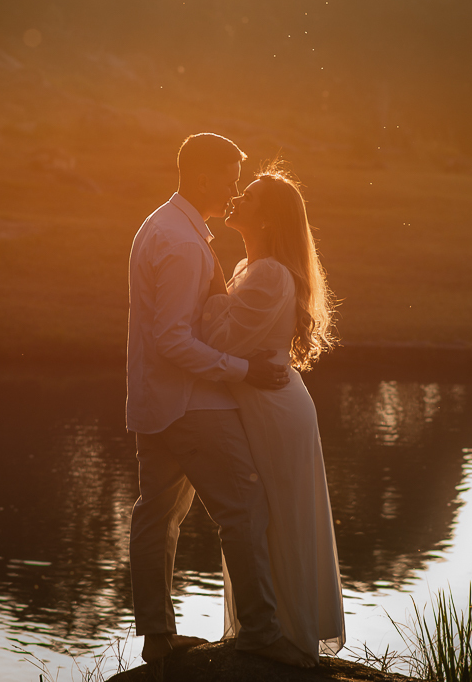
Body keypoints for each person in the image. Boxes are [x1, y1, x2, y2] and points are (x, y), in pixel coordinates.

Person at [126, 133, 313, 667]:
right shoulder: (184, 243)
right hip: (193, 405)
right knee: (244, 508)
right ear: (203, 178)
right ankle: (261, 632)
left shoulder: (163, 225)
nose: (234, 189)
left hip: (155, 401)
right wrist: (244, 370)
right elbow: (173, 339)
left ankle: (158, 637)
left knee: (157, 515)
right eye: (231, 178)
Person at [200, 162, 346, 664]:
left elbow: (218, 339)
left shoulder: (267, 274)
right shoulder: (252, 269)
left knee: (278, 517)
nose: (237, 197)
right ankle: (270, 627)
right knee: (263, 516)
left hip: (274, 411)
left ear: (266, 220)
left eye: (250, 196)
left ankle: (290, 638)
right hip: (266, 404)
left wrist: (210, 292)